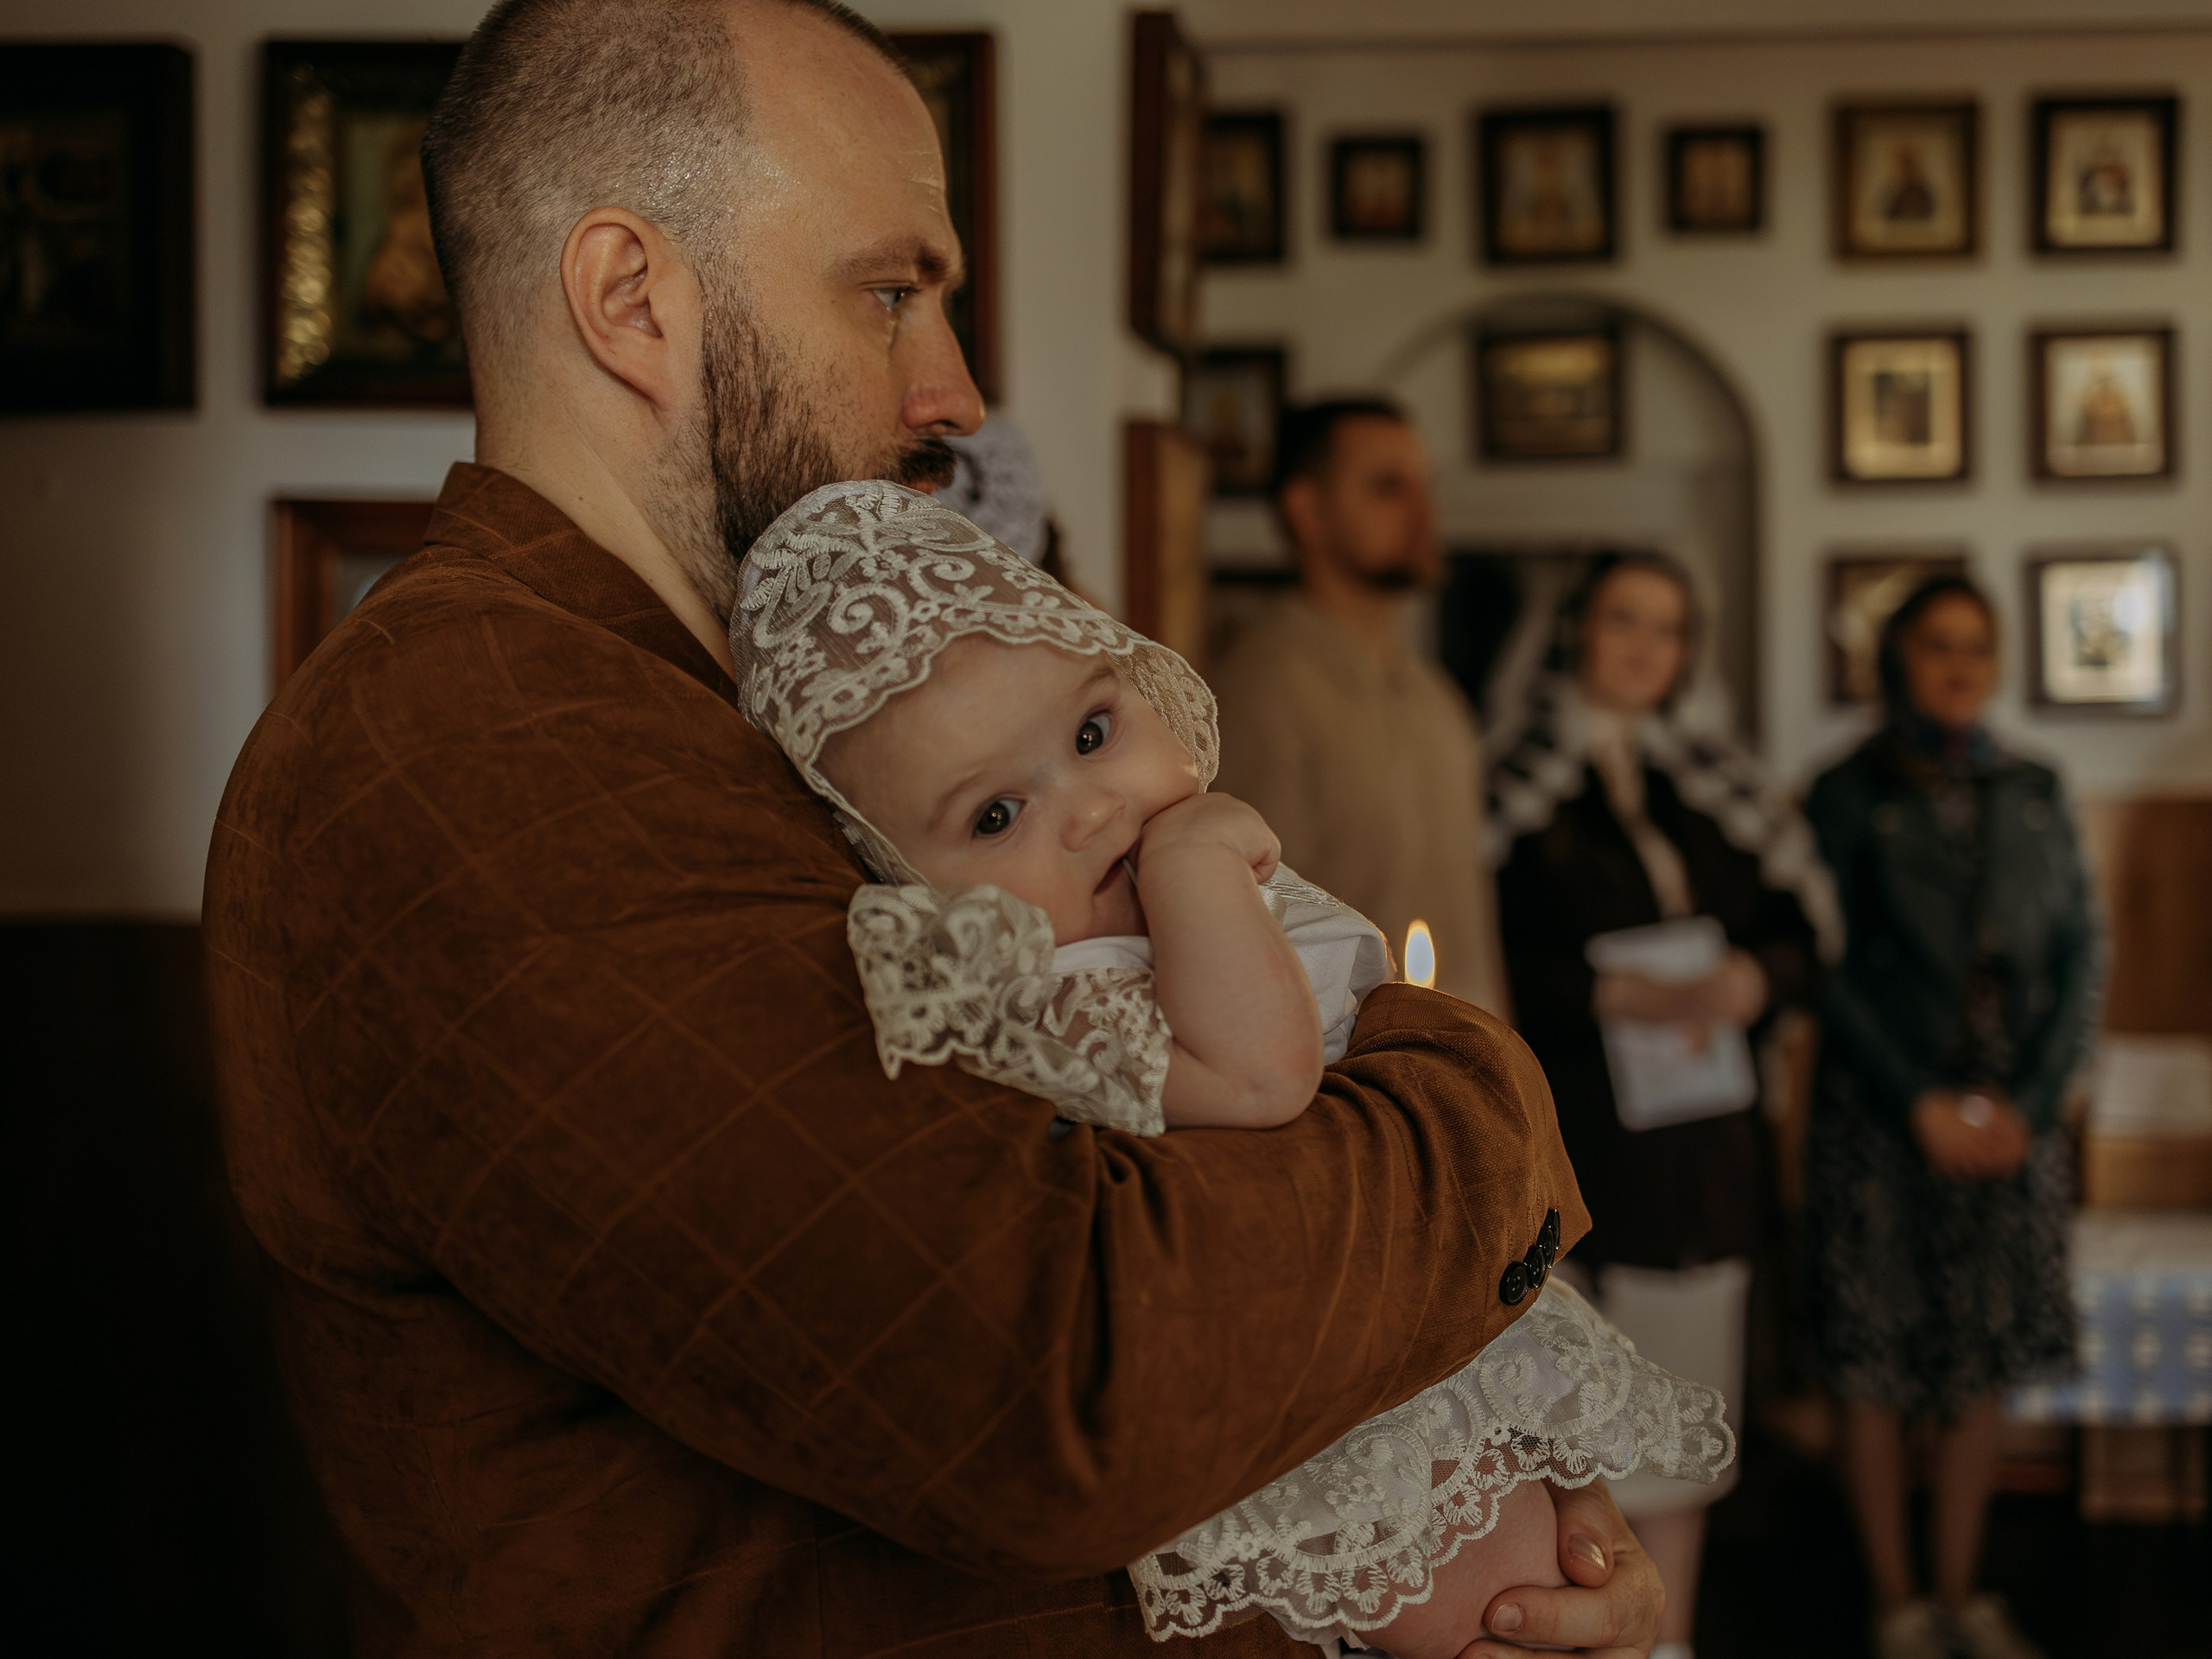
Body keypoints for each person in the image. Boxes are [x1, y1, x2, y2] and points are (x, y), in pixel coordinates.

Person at [199, 3, 1668, 1654]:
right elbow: (1062, 1379)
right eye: (889, 290)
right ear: (631, 300)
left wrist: (1485, 1528)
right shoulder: (481, 730)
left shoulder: (748, 722)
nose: (958, 393)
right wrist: (1481, 1101)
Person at [734, 480, 1738, 1657]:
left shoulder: (1176, 901)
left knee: (1571, 1583)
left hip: (1430, 1333)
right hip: (1337, 1421)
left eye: (1094, 735)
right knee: (1509, 1612)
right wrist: (1204, 873)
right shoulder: (1059, 996)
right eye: (996, 815)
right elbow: (1260, 1082)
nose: (1091, 811)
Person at [1487, 553, 1837, 1659]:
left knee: (1682, 1439)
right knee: (1566, 1444)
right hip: (1576, 1144)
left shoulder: (1714, 783)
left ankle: (1666, 1645)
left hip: (1701, 1152)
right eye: (1620, 620)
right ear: (1572, 635)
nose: (1644, 647)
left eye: (1668, 628)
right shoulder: (1509, 787)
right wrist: (1602, 990)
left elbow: (1801, 938)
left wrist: (1751, 982)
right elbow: (1476, 948)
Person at [1803, 576, 2098, 1659]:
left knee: (1981, 1362)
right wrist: (1915, 1101)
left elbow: (2080, 958)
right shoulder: (1842, 789)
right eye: (1938, 645)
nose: (1961, 664)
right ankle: (1896, 1604)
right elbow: (1823, 968)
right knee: (1872, 1361)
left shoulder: (2036, 787)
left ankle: (1961, 1590)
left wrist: (2032, 1107)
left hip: (2011, 1123)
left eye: (1978, 646)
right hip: (1882, 1115)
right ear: (1898, 661)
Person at [1211, 399, 1508, 1014]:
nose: (1425, 513)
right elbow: (1249, 917)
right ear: (1310, 511)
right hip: (1353, 1079)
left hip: (1470, 1070)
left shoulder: (1435, 695)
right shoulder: (1263, 684)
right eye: (1388, 488)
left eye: (1426, 488)